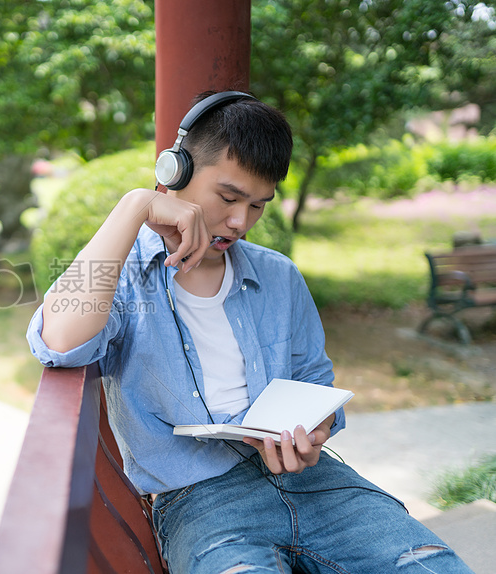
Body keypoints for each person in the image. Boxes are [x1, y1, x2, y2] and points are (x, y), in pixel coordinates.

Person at [26, 91, 473, 573]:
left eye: (258, 205)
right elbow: (61, 343)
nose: (240, 222)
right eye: (228, 197)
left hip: (319, 485)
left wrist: (315, 430)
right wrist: (135, 207)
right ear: (173, 172)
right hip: (200, 502)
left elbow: (313, 379)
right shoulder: (125, 276)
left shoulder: (278, 275)